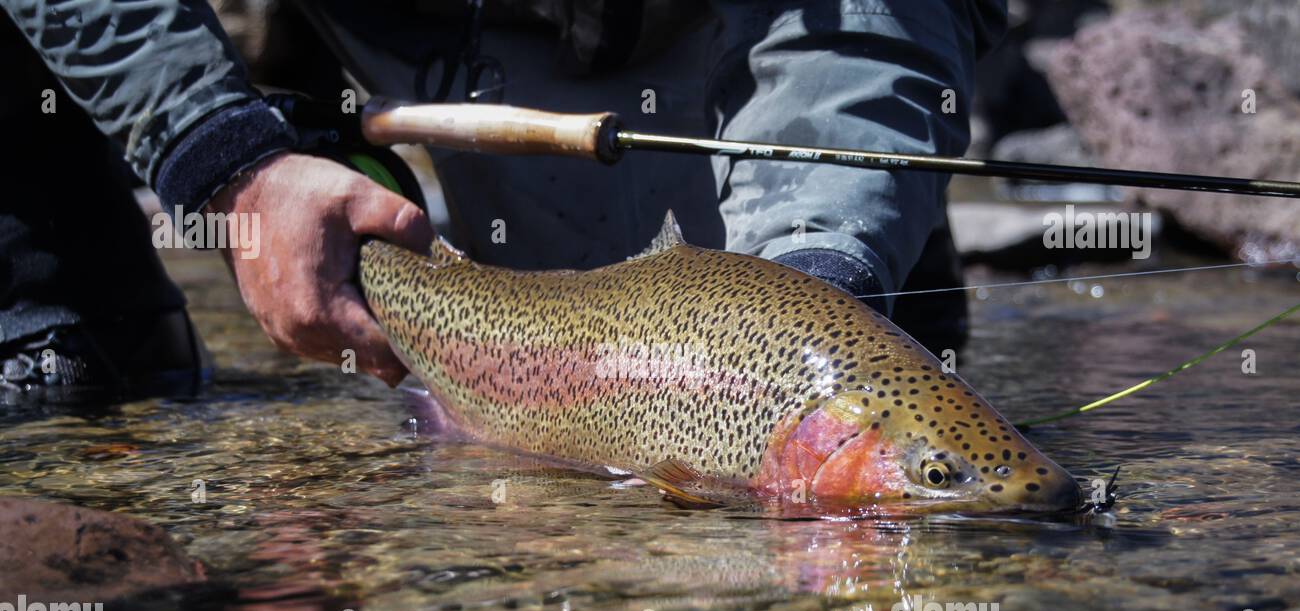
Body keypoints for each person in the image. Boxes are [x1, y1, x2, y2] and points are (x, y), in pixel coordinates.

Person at [0, 0, 1006, 402]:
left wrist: (819, 266)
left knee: (864, 336)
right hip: (401, 52)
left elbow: (868, 28)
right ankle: (80, 349)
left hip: (729, 82)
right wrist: (226, 160)